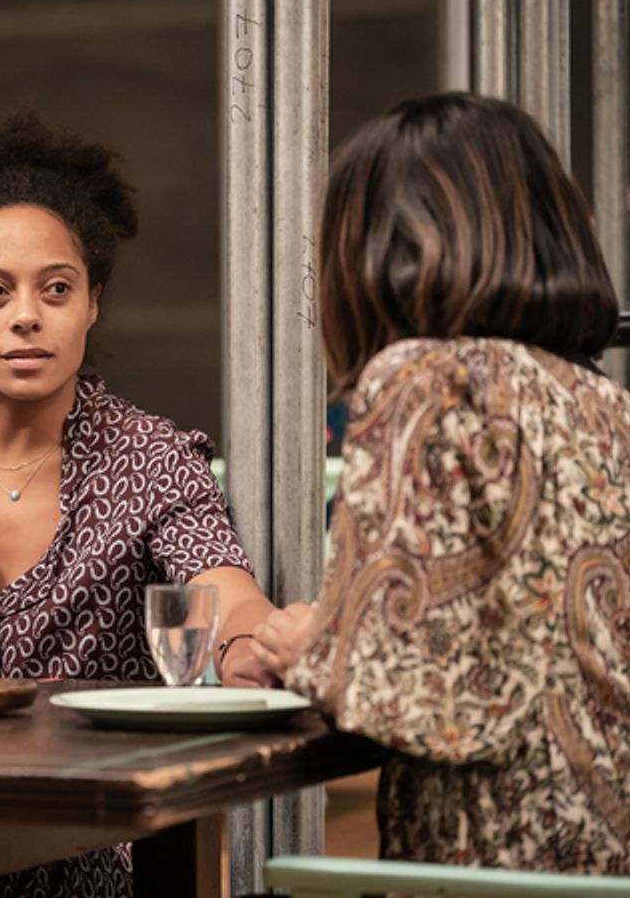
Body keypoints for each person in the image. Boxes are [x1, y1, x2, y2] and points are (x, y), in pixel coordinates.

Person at [0, 113, 279, 896]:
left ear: (91, 304)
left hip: (99, 862)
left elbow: (225, 595)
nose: (27, 315)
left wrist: (253, 642)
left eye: (56, 288)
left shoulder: (151, 459)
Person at [252, 93, 629, 875]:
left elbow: (411, 689)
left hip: (501, 869)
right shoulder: (608, 405)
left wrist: (306, 646)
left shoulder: (423, 380)